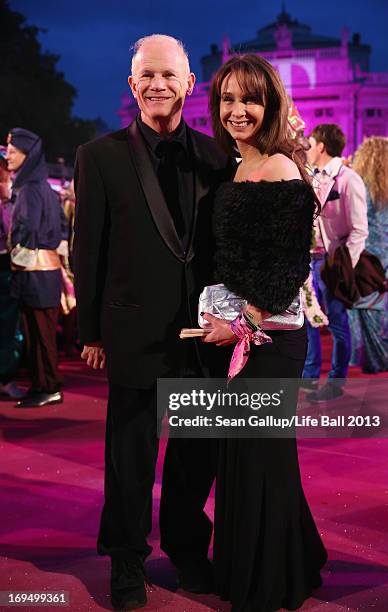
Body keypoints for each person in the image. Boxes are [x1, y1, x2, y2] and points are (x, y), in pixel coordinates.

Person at [73, 34, 232, 611]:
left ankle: (189, 553)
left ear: (191, 84)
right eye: (148, 76)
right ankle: (125, 562)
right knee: (131, 459)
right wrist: (89, 331)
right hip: (132, 331)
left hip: (202, 338)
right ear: (133, 84)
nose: (159, 85)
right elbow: (85, 249)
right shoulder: (99, 156)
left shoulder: (220, 158)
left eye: (170, 75)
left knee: (196, 458)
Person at [201, 54, 327, 612]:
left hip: (268, 338)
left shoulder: (277, 167)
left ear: (271, 103)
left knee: (262, 458)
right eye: (227, 99)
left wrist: (243, 326)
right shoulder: (236, 165)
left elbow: (288, 268)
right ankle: (284, 558)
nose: (237, 110)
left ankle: (271, 579)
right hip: (239, 331)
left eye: (249, 99)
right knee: (249, 457)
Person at [302, 124, 368, 402]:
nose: (306, 147)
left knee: (338, 324)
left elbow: (360, 229)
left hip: (333, 263)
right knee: (309, 320)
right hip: (308, 261)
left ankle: (336, 381)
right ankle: (309, 377)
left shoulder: (348, 178)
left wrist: (343, 266)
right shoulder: (310, 176)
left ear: (321, 147)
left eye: (311, 142)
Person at [6, 128, 66, 408]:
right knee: (40, 333)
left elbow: (26, 228)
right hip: (47, 271)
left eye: (15, 151)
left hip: (34, 272)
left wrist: (16, 248)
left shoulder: (29, 189)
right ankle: (43, 385)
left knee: (38, 334)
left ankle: (48, 385)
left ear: (28, 156)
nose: (9, 156)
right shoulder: (44, 188)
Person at [348, 137, 388, 372]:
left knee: (356, 304)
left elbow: (356, 217)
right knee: (380, 304)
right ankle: (379, 357)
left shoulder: (361, 184)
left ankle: (360, 356)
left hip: (363, 249)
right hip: (384, 252)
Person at [0, 148, 25, 399]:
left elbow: (14, 234)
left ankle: (6, 377)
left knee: (9, 326)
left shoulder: (15, 197)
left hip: (8, 267)